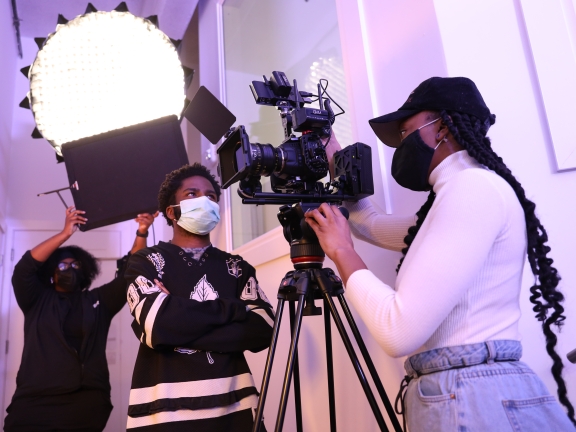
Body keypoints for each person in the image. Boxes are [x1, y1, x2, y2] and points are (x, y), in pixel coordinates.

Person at [305, 77, 576, 431]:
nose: (401, 146)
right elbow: (369, 223)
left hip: (471, 395)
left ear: (443, 128)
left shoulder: (471, 189)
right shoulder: (459, 196)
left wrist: (340, 251)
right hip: (470, 389)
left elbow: (397, 331)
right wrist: (332, 154)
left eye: (405, 133)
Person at [124, 163, 274, 432]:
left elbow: (263, 331)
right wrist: (235, 310)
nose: (204, 200)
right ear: (172, 212)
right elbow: (157, 325)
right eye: (192, 194)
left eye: (211, 196)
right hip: (163, 415)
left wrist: (175, 320)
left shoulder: (237, 266)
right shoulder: (146, 262)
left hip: (237, 411)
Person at [5, 207, 157, 431]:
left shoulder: (97, 301)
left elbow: (130, 275)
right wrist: (65, 233)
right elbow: (24, 269)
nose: (69, 268)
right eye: (63, 265)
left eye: (75, 265)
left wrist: (142, 232)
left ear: (85, 272)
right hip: (33, 401)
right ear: (52, 272)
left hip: (84, 403)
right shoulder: (36, 299)